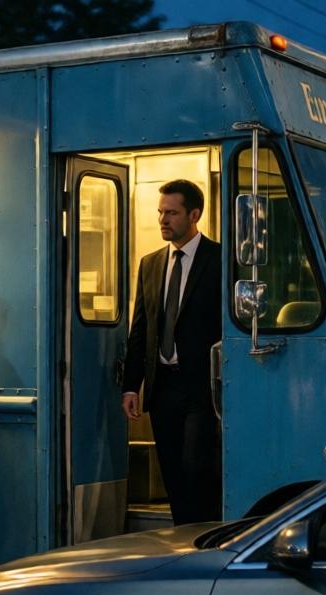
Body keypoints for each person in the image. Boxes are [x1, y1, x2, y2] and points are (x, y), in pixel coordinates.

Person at [121, 179, 222, 525]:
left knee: (198, 471)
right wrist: (131, 386)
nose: (163, 219)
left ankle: (203, 539)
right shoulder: (150, 264)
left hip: (202, 388)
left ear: (194, 215)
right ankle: (183, 540)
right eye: (161, 212)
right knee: (173, 475)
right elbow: (140, 328)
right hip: (162, 386)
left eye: (172, 213)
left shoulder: (219, 259)